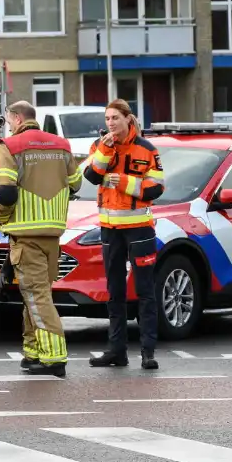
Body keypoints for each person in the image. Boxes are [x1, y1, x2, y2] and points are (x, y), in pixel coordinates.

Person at [0, 101, 83, 376]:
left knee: (37, 298)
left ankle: (54, 357)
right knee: (35, 295)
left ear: (18, 118)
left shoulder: (10, 146)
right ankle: (33, 351)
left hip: (25, 234)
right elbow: (76, 183)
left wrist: (2, 219)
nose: (9, 126)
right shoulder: (61, 145)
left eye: (9, 121)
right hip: (53, 234)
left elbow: (6, 193)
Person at [83, 99, 164, 370]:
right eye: (107, 118)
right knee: (114, 292)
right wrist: (106, 148)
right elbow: (92, 176)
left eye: (115, 118)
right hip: (110, 230)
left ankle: (148, 352)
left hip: (139, 229)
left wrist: (127, 183)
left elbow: (157, 188)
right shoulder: (99, 145)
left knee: (145, 291)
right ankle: (116, 351)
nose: (110, 123)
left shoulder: (147, 149)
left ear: (128, 119)